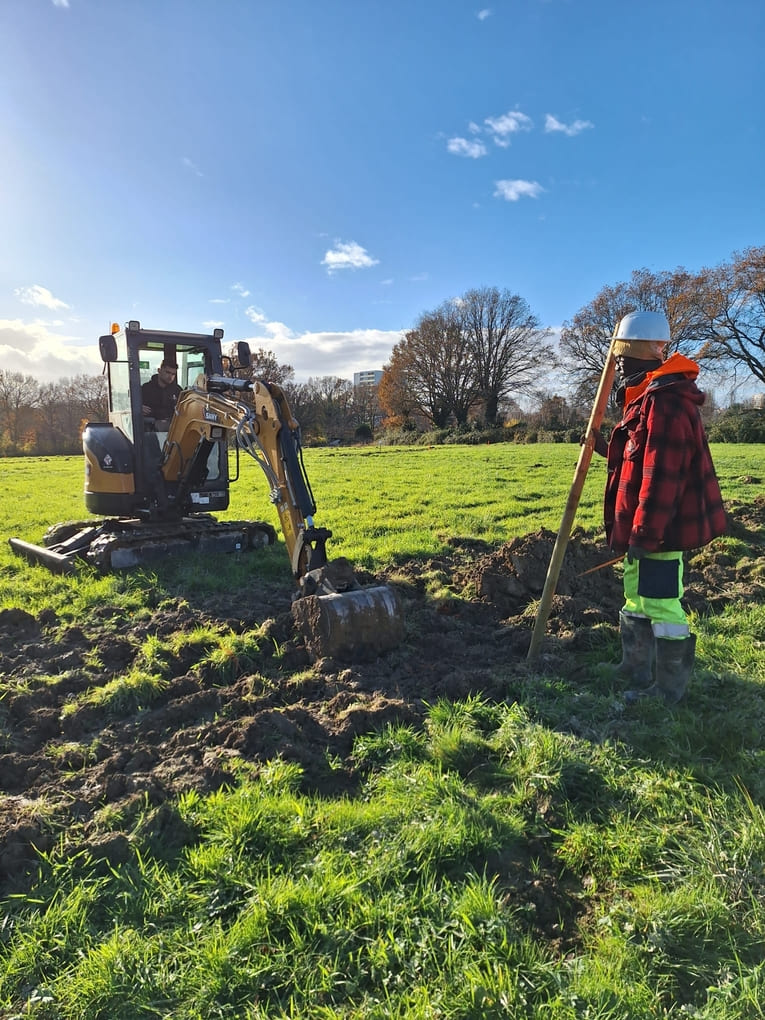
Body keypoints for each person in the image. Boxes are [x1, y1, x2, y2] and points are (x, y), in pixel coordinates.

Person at [601, 310, 727, 705]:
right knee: (635, 595)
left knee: (659, 600)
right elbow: (636, 463)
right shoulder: (646, 399)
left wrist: (644, 534)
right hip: (644, 527)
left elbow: (662, 479)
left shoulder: (667, 403)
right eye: (618, 358)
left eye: (626, 357)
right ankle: (634, 665)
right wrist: (600, 448)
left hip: (660, 529)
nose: (620, 366)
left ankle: (668, 689)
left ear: (651, 353)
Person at [141, 359, 181, 423]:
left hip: (172, 427)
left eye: (173, 374)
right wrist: (139, 408)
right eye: (167, 372)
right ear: (159, 370)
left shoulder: (178, 390)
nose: (170, 377)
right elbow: (134, 406)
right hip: (150, 427)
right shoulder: (146, 388)